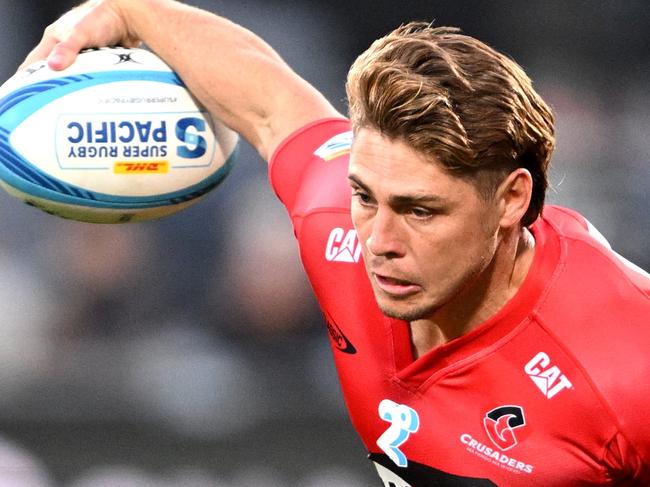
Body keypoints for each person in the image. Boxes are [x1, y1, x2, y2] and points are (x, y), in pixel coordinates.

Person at [22, 0, 650, 485]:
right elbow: (266, 101)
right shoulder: (338, 227)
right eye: (366, 195)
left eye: (420, 211)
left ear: (512, 200)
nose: (378, 240)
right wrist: (132, 12)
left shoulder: (627, 364)